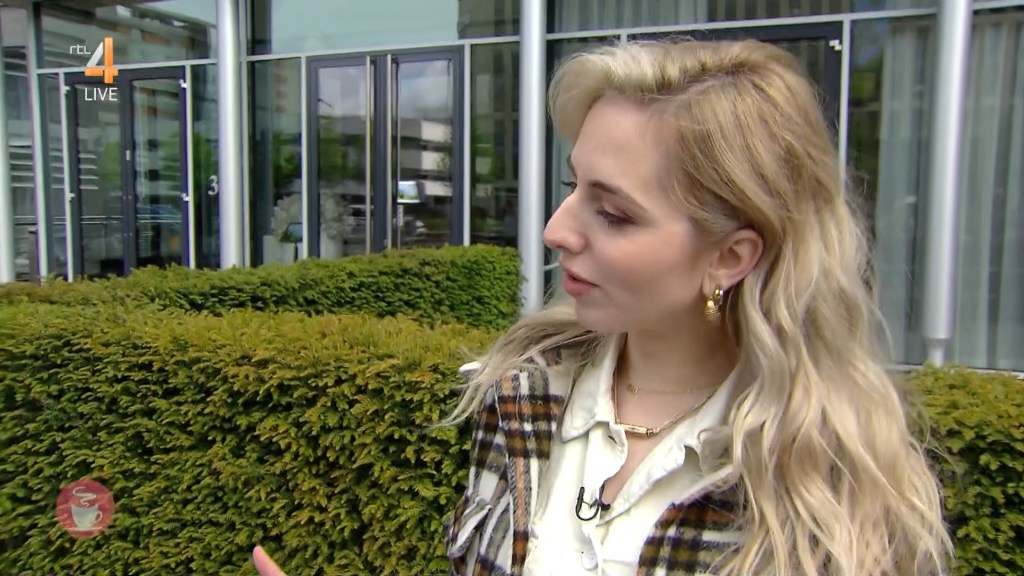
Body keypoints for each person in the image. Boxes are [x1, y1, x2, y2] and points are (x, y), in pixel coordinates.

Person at [252, 38, 952, 576]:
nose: (556, 230)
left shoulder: (826, 486)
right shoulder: (522, 395)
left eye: (613, 213)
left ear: (730, 257)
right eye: (573, 186)